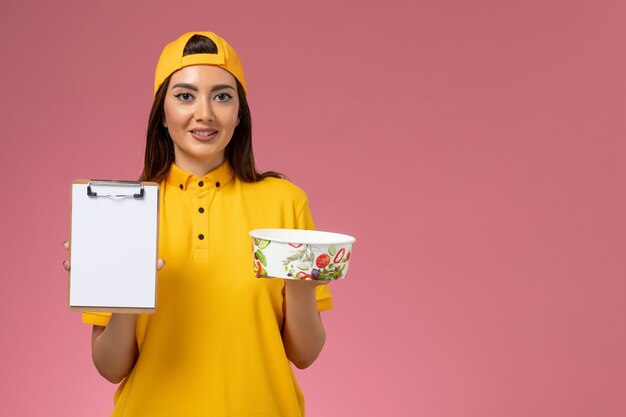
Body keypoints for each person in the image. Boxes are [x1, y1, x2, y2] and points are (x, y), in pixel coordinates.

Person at [67, 31, 332, 416]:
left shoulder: (285, 202)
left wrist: (302, 285)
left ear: (239, 114)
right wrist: (121, 286)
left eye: (222, 96)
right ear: (162, 112)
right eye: (185, 95)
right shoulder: (123, 211)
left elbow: (305, 354)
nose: (204, 112)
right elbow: (111, 367)